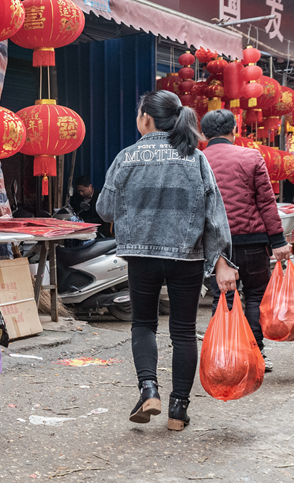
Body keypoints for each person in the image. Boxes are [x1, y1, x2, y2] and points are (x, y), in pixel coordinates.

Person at [96, 90, 237, 432]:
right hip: (186, 256)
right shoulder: (196, 158)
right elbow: (215, 216)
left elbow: (105, 209)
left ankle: (148, 389)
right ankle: (178, 409)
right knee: (184, 331)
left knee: (143, 324)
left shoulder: (127, 157)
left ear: (145, 117)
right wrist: (222, 259)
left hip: (141, 255)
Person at [201, 109, 293, 373]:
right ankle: (257, 353)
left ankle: (227, 355)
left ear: (205, 134)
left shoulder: (197, 159)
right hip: (252, 241)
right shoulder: (251, 156)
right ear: (234, 131)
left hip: (216, 246)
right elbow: (266, 202)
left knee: (223, 297)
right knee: (254, 296)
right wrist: (277, 240)